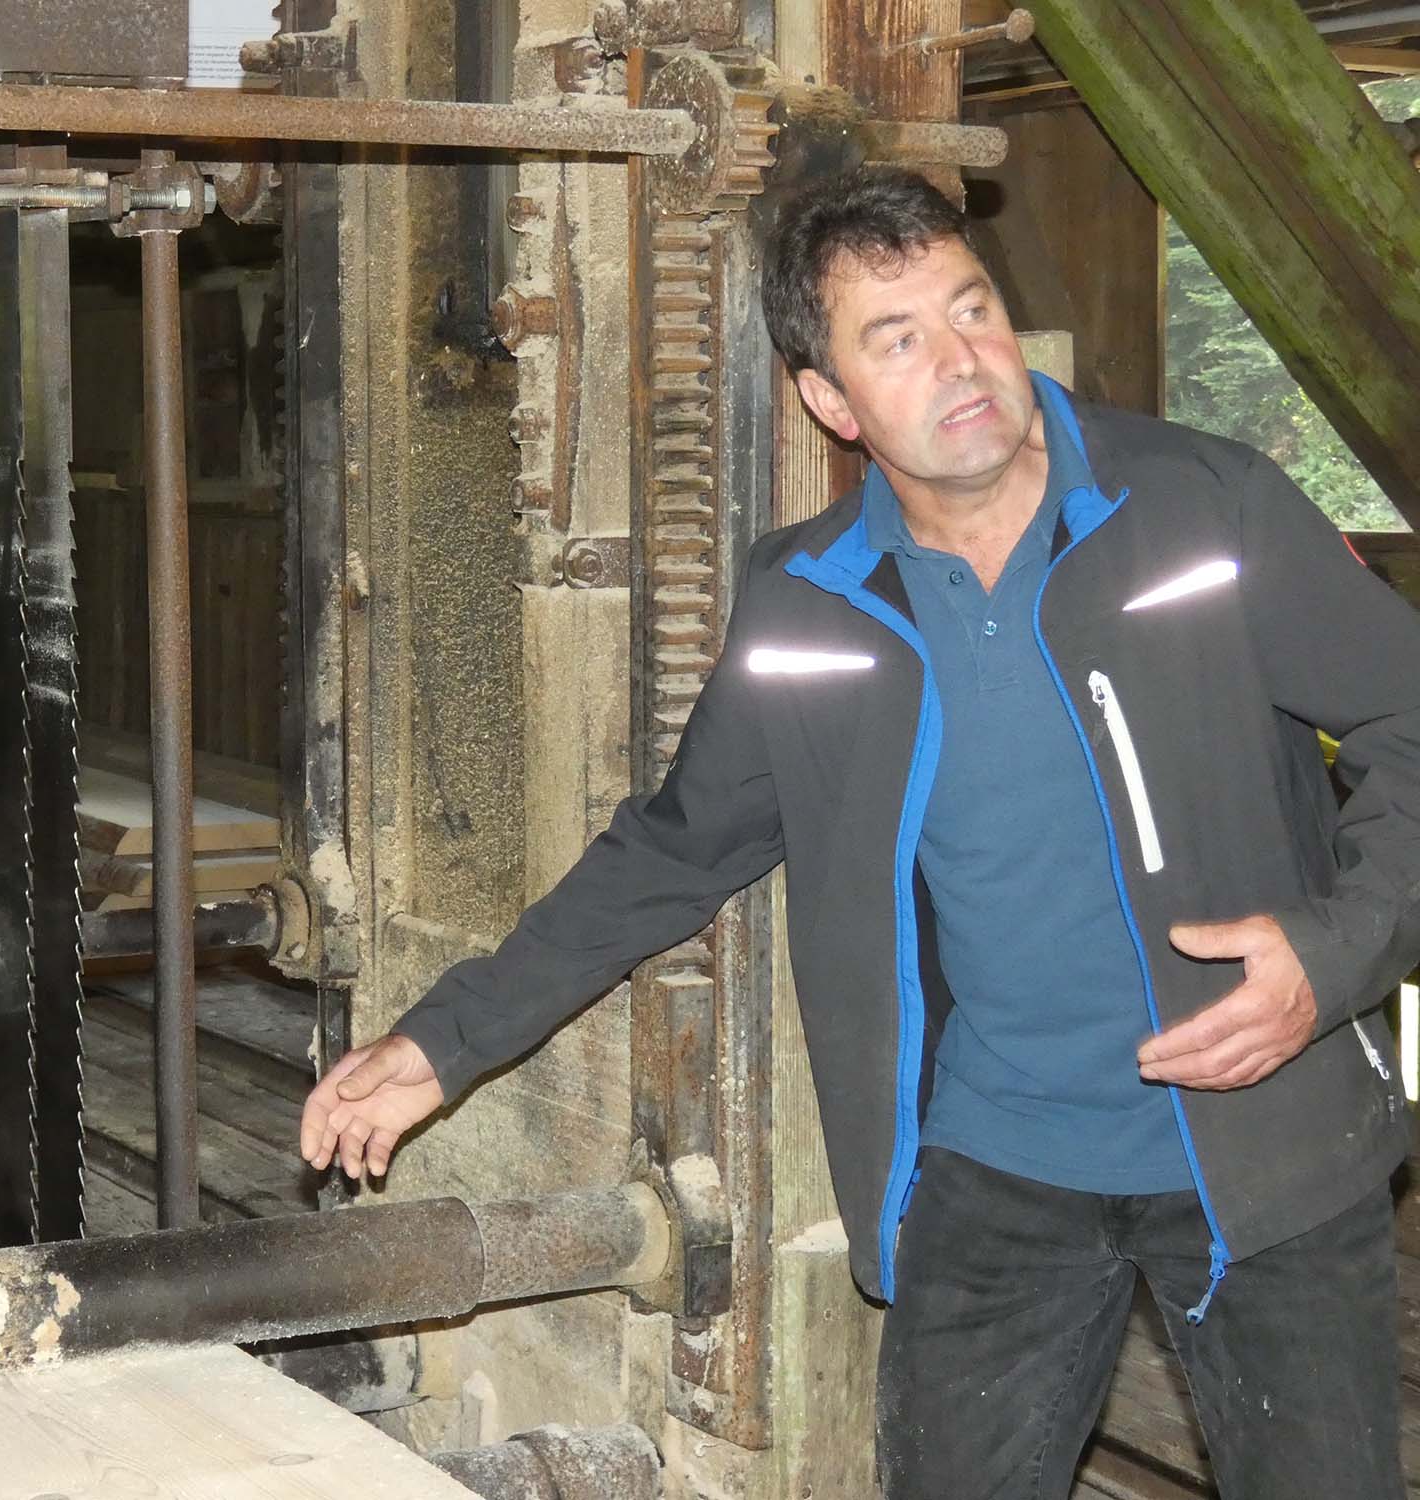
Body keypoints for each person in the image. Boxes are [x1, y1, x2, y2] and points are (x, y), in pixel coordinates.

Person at [298, 166, 1420, 1498]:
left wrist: (1332, 954)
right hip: (998, 1168)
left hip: (1272, 1151)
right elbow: (673, 851)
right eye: (896, 339)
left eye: (971, 309)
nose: (961, 360)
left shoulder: (1204, 509)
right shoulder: (808, 603)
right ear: (829, 402)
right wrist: (445, 1040)